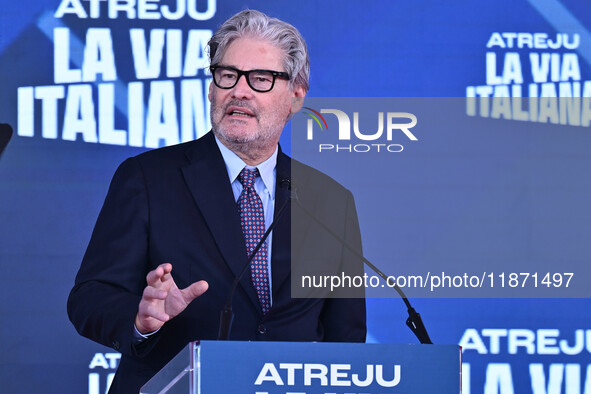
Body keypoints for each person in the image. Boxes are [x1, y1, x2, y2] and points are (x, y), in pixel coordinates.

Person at [67, 9, 366, 393]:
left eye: (260, 79)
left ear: (295, 95)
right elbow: (90, 297)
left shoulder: (331, 201)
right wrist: (141, 319)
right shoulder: (147, 178)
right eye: (228, 75)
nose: (239, 90)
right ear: (212, 88)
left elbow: (346, 338)